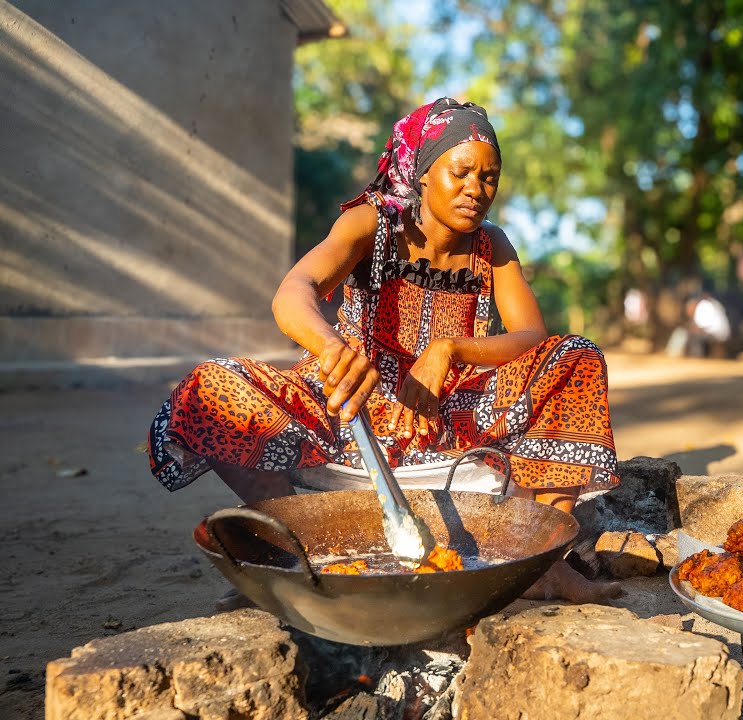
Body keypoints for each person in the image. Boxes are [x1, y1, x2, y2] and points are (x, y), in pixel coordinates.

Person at [148, 98, 621, 605]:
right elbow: (293, 291)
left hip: (448, 426)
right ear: (421, 171)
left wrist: (452, 349)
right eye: (461, 172)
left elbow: (532, 335)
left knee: (575, 356)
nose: (476, 190)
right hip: (348, 421)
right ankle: (299, 545)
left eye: (490, 178)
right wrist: (331, 348)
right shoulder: (373, 223)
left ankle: (541, 558)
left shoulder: (492, 245)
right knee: (213, 387)